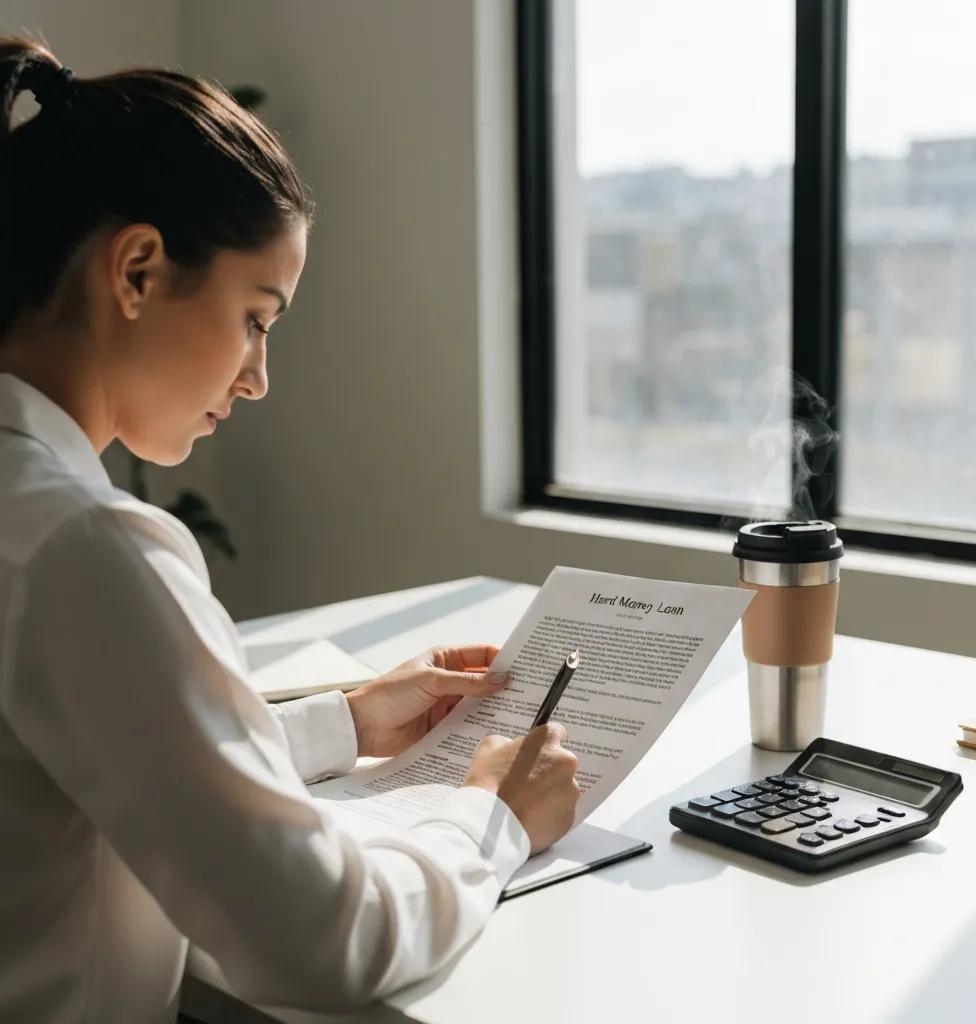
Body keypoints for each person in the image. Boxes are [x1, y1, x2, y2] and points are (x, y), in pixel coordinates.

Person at [0, 37, 580, 1024]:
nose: (258, 376)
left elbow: (78, 755)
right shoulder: (82, 548)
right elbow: (319, 939)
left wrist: (345, 721)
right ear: (136, 270)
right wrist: (488, 815)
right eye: (256, 317)